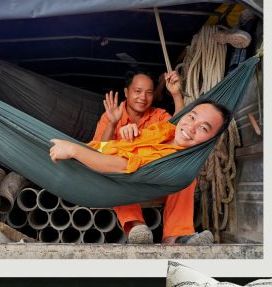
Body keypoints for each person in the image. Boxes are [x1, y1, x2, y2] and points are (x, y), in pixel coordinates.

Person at [49, 103, 228, 228]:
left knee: (186, 179)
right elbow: (125, 146)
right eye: (191, 117)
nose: (191, 127)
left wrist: (74, 151)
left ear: (210, 141)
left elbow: (121, 166)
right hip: (91, 154)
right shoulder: (164, 129)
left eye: (204, 128)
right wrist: (128, 133)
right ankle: (161, 231)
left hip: (98, 170)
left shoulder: (170, 162)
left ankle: (149, 228)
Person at [89, 70, 209, 244]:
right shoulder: (111, 115)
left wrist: (176, 94)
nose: (143, 97)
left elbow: (179, 129)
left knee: (186, 176)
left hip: (155, 180)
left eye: (149, 93)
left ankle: (175, 237)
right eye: (137, 91)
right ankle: (137, 228)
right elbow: (96, 153)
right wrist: (113, 123)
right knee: (112, 175)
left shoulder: (158, 115)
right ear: (126, 92)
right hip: (125, 182)